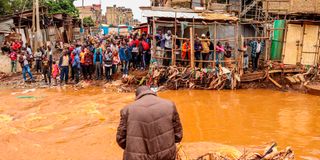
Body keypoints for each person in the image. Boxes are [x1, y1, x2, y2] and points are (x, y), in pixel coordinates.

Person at [116, 86, 183, 160]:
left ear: (137, 96)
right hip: (165, 156)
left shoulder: (127, 110)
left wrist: (133, 149)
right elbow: (178, 136)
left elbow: (120, 139)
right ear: (152, 92)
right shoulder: (170, 105)